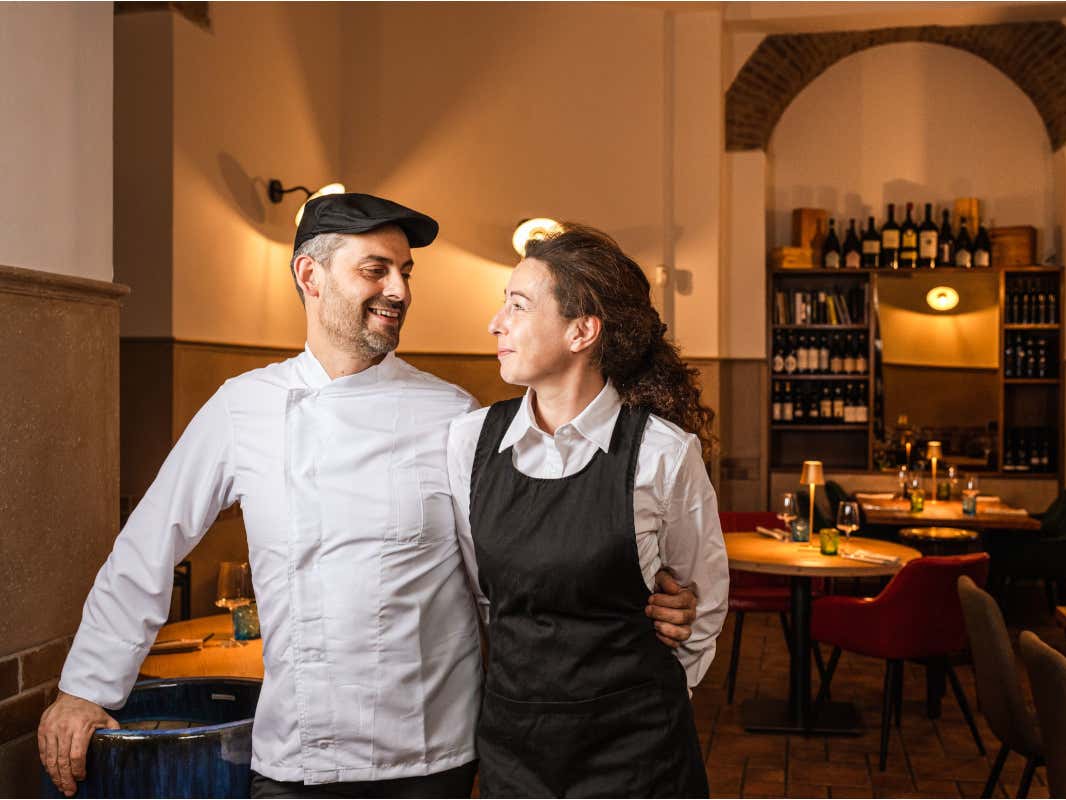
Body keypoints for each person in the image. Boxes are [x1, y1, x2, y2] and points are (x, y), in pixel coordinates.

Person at [38, 195, 697, 799]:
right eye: (376, 270)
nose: (400, 290)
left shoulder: (454, 418)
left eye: (407, 272)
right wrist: (86, 689)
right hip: (291, 759)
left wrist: (646, 598)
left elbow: (519, 565)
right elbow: (149, 546)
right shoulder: (242, 409)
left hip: (427, 760)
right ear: (310, 275)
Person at [446, 223, 729, 797]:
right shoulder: (469, 440)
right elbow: (484, 596)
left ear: (582, 330)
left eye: (518, 306)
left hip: (636, 752)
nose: (495, 323)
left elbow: (703, 599)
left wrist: (652, 698)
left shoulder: (662, 454)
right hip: (514, 744)